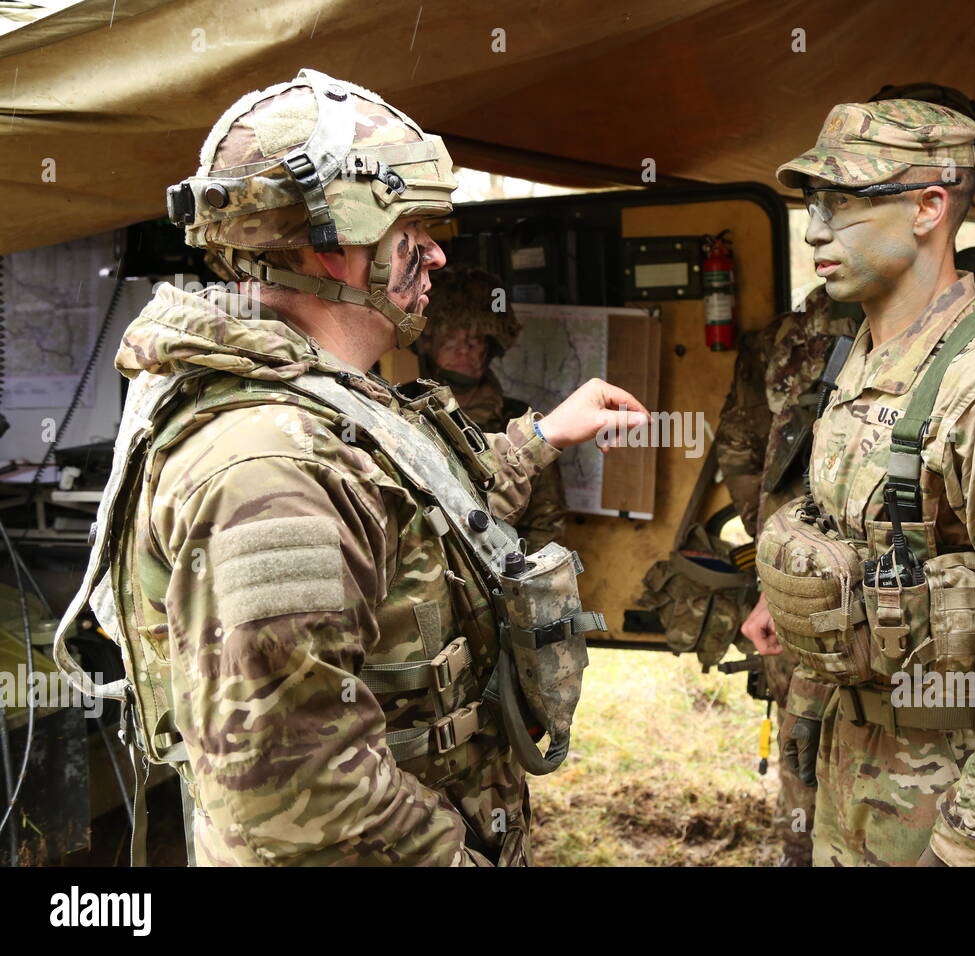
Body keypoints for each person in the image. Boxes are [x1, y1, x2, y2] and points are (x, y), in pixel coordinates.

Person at [53, 69, 646, 866]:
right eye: (413, 228)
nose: (435, 254)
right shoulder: (268, 472)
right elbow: (301, 794)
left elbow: (425, 520)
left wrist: (540, 437)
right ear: (333, 244)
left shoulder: (330, 405)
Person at [715, 81, 975, 867]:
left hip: (949, 800)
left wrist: (969, 851)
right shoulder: (868, 358)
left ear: (928, 209)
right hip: (859, 776)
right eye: (813, 203)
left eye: (845, 203)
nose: (816, 229)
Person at [412, 265, 567, 548]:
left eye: (475, 340)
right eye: (451, 339)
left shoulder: (518, 419)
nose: (465, 350)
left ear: (491, 346)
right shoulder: (409, 415)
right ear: (428, 344)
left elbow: (545, 525)